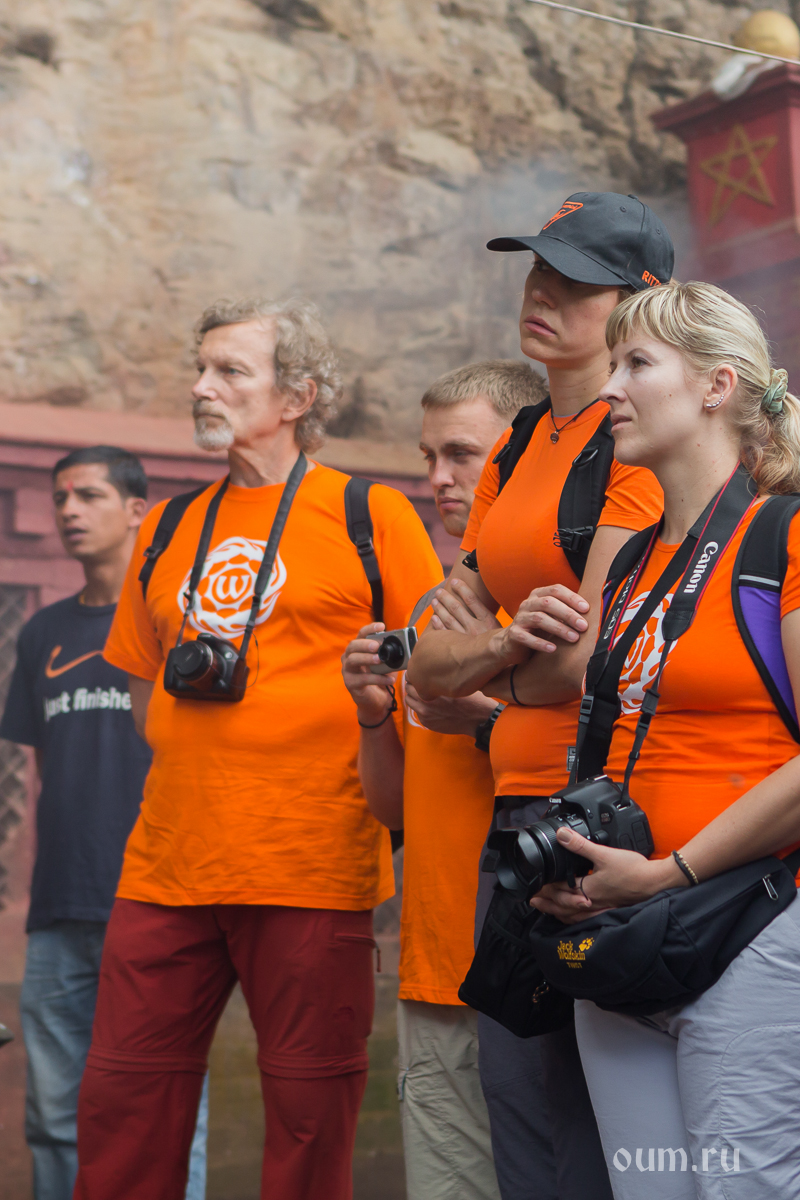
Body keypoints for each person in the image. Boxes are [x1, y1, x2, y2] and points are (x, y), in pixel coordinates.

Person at [73, 299, 443, 1200]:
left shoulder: (371, 514)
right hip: (166, 865)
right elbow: (144, 684)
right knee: (122, 1107)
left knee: (310, 1125)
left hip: (312, 866)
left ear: (298, 396)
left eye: (230, 371)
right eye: (200, 369)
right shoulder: (166, 525)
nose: (203, 387)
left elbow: (433, 675)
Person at [407, 193, 672, 1200]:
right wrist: (499, 646)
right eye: (535, 270)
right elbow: (426, 666)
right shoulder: (520, 441)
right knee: (519, 1109)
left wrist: (481, 662)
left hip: (600, 819)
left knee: (601, 1131)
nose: (542, 293)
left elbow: (583, 664)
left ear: (638, 302)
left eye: (573, 280)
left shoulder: (635, 441)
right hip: (514, 818)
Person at [528, 281, 800, 1199]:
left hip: (753, 926)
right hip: (623, 931)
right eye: (611, 364)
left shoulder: (785, 536)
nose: (608, 388)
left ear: (718, 386)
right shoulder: (634, 559)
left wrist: (668, 873)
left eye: (636, 363)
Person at [342, 360, 549, 1200]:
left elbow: (620, 770)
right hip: (435, 968)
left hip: (536, 968)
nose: (438, 478)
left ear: (521, 452)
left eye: (462, 454)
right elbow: (396, 809)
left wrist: (489, 723)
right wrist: (371, 714)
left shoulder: (558, 598)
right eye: (428, 457)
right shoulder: (430, 611)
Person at [0, 447, 209, 1200]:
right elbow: (45, 773)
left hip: (160, 901)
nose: (67, 511)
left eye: (88, 495)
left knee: (169, 1113)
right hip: (59, 912)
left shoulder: (179, 621)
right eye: (60, 498)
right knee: (55, 1116)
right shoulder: (41, 633)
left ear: (136, 511)